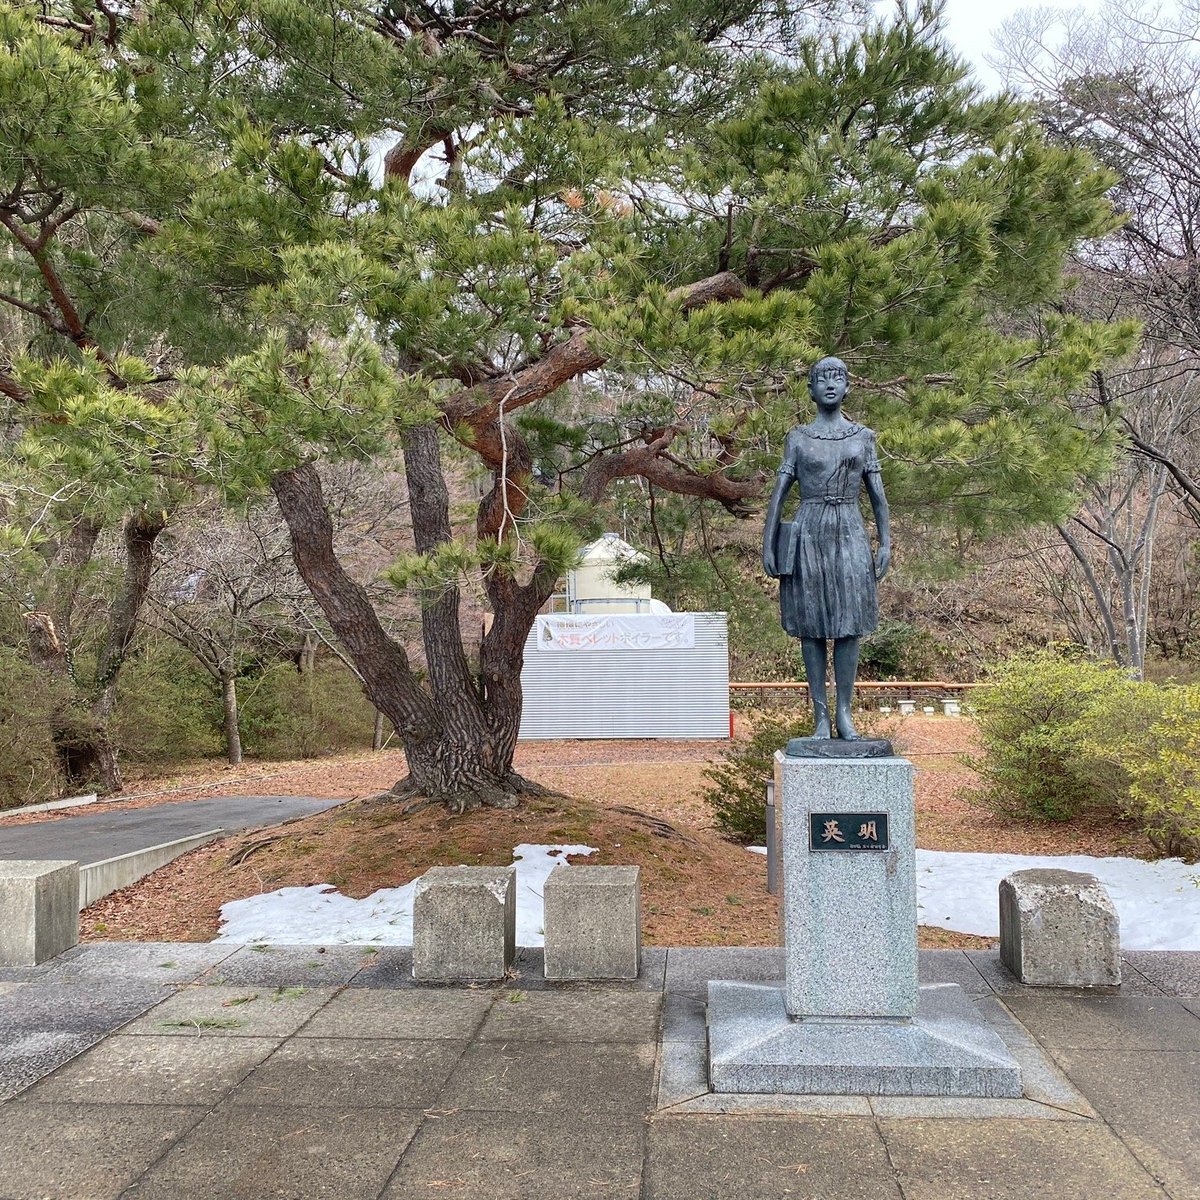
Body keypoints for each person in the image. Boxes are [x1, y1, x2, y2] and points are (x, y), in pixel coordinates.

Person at [761, 356, 891, 740]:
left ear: (848, 386)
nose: (830, 385)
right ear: (811, 388)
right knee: (812, 625)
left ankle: (845, 713)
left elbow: (878, 496)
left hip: (850, 529)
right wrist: (768, 543)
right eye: (822, 379)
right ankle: (820, 715)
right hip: (809, 531)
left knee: (850, 623)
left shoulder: (863, 436)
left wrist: (885, 542)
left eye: (837, 378)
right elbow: (780, 493)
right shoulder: (798, 438)